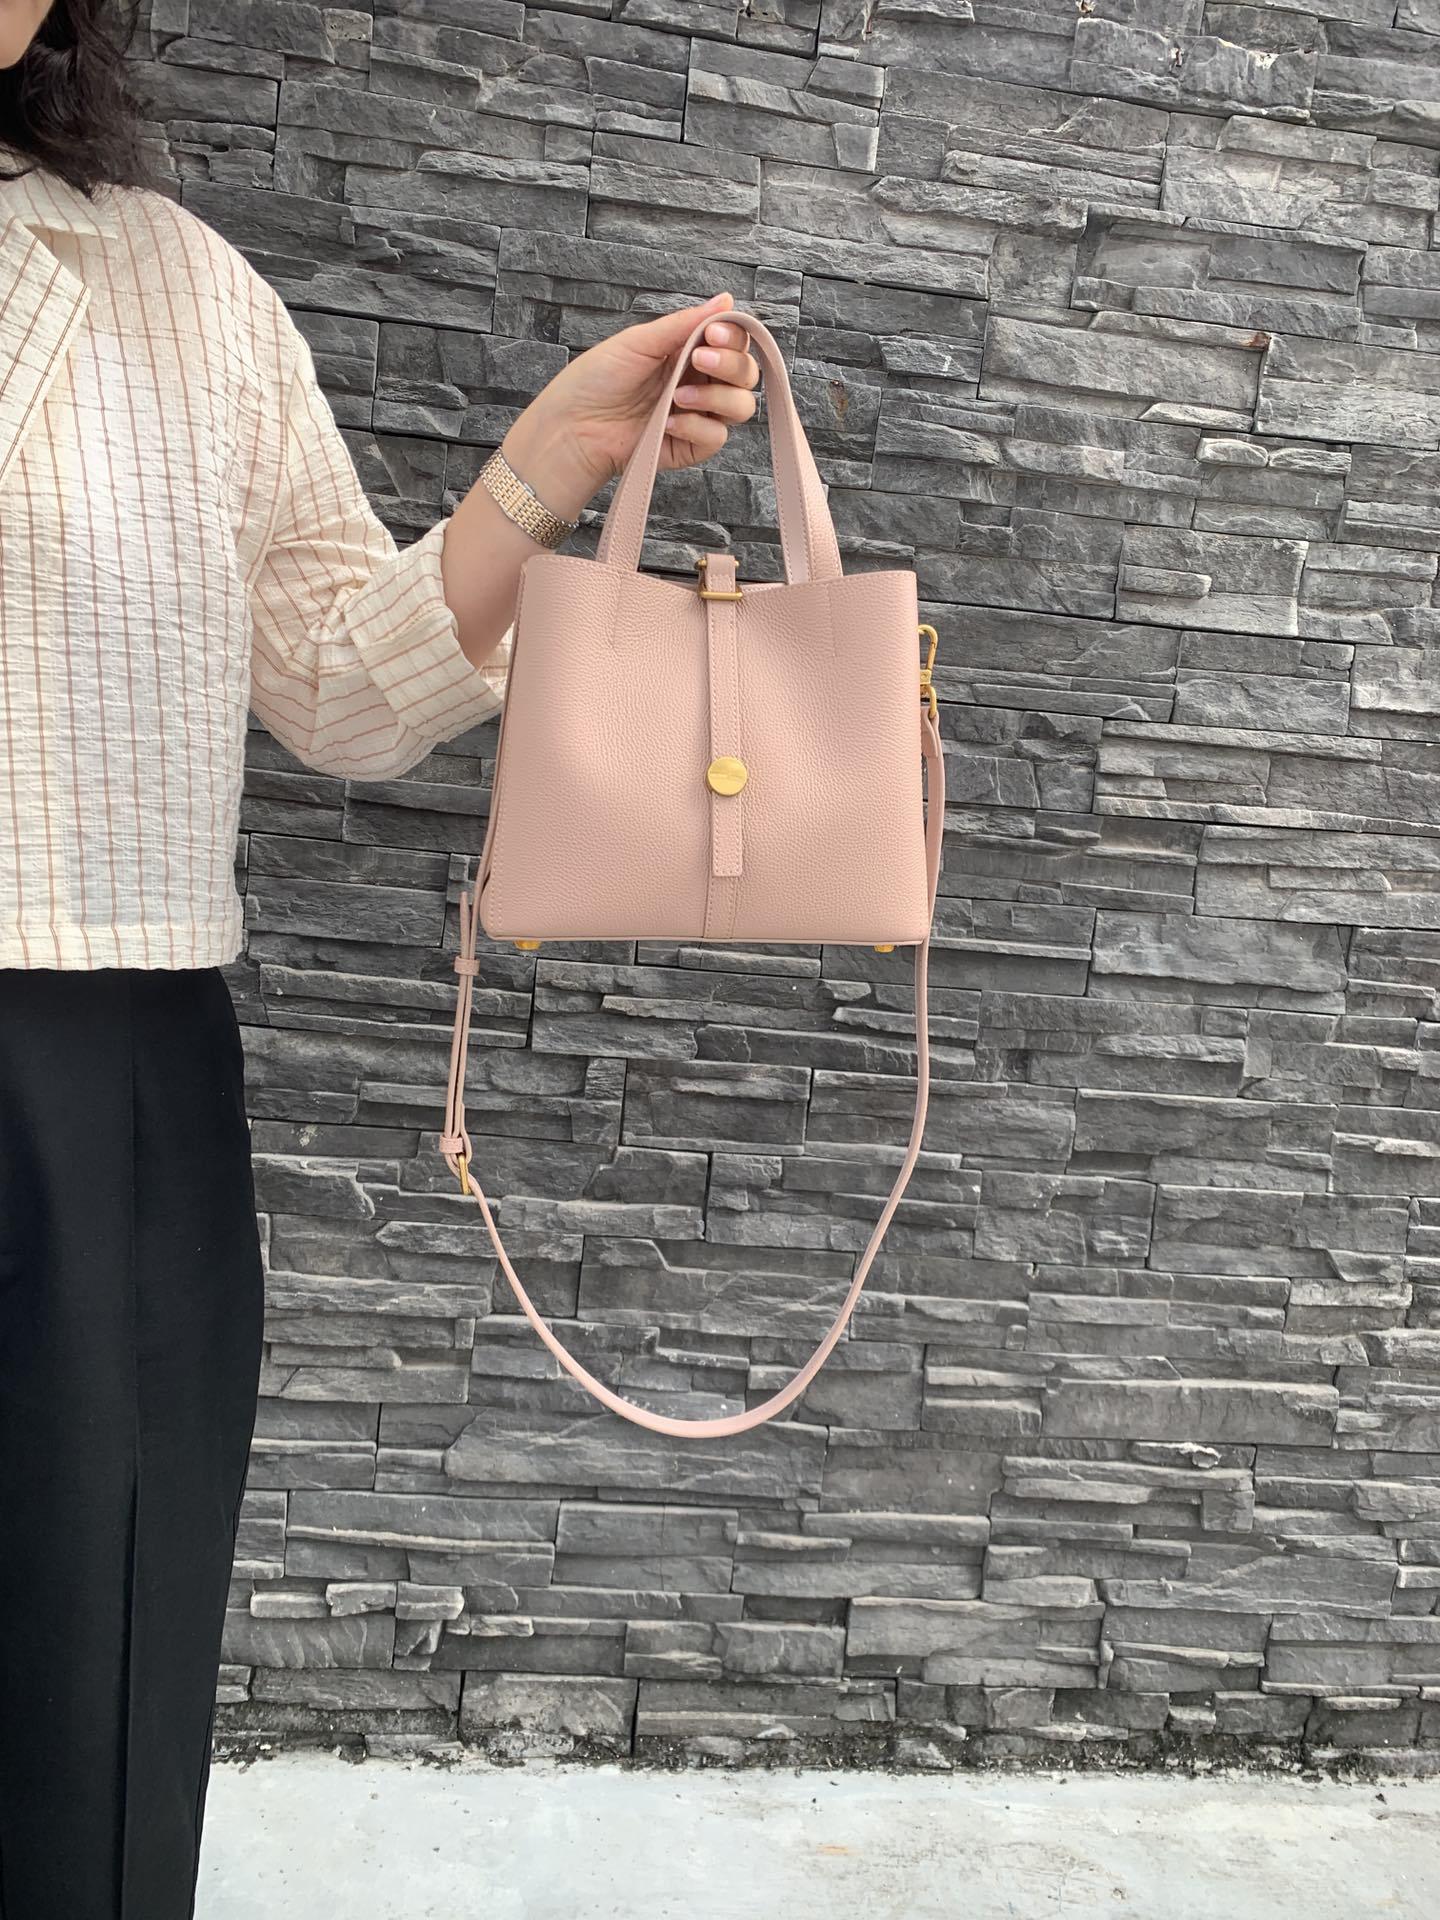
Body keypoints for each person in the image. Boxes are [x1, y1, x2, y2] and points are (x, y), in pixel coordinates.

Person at [0, 3, 760, 1913]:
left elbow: (342, 685)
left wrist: (553, 462)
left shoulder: (175, 292)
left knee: (77, 1723)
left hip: (91, 1065)